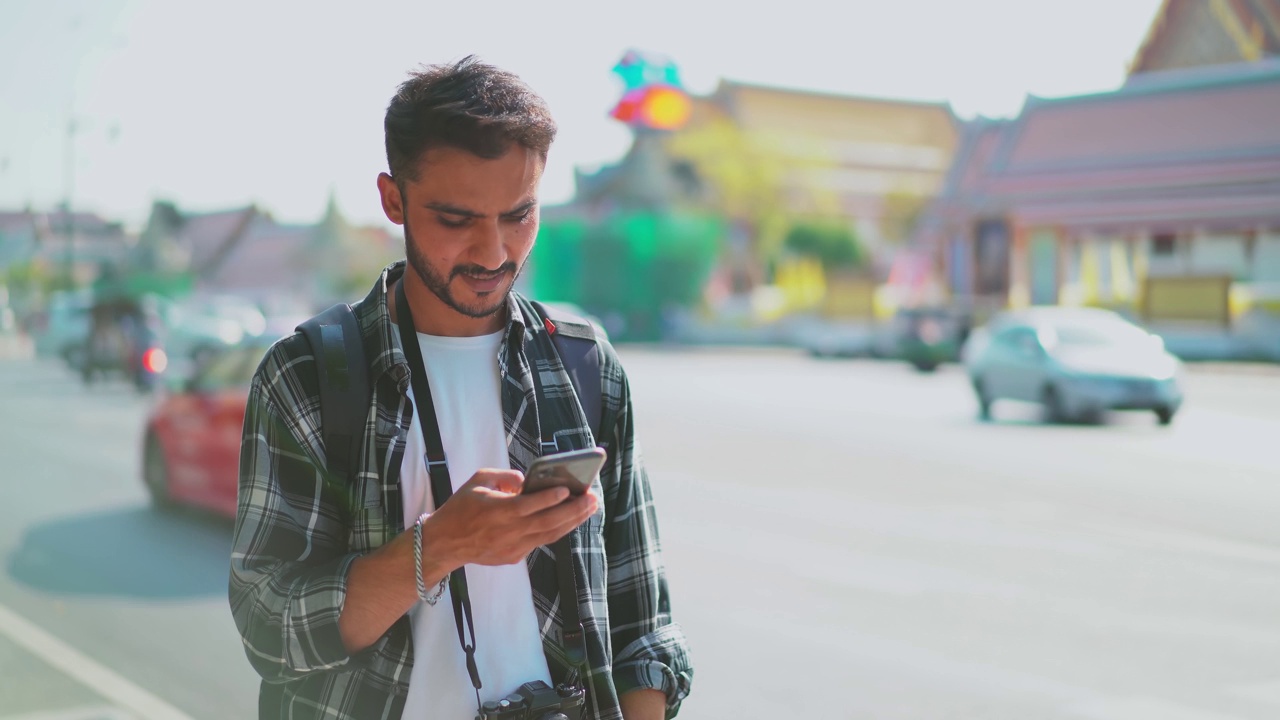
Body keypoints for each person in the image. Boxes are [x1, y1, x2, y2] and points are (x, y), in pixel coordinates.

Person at [229, 57, 693, 720]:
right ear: (393, 200)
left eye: (519, 215)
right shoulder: (306, 376)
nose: (494, 252)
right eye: (455, 220)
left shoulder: (585, 364)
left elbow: (642, 625)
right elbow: (269, 628)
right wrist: (439, 545)